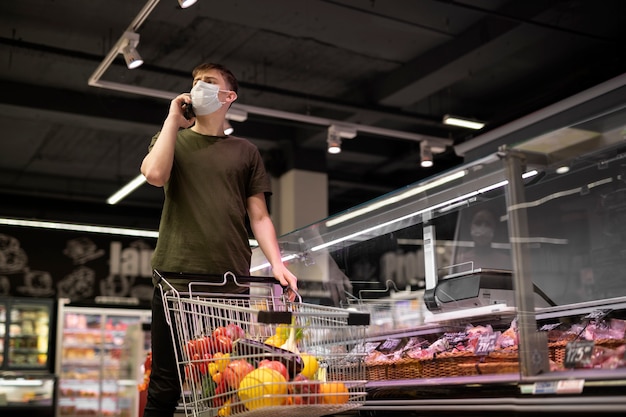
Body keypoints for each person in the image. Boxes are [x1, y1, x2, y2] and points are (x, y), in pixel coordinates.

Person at [140, 62, 298, 417]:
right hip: (175, 281)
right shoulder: (173, 140)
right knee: (166, 385)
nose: (198, 87)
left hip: (229, 284)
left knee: (225, 386)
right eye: (195, 82)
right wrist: (171, 121)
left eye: (208, 82)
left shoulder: (246, 152)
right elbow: (154, 173)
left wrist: (277, 264)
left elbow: (259, 216)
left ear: (228, 96)